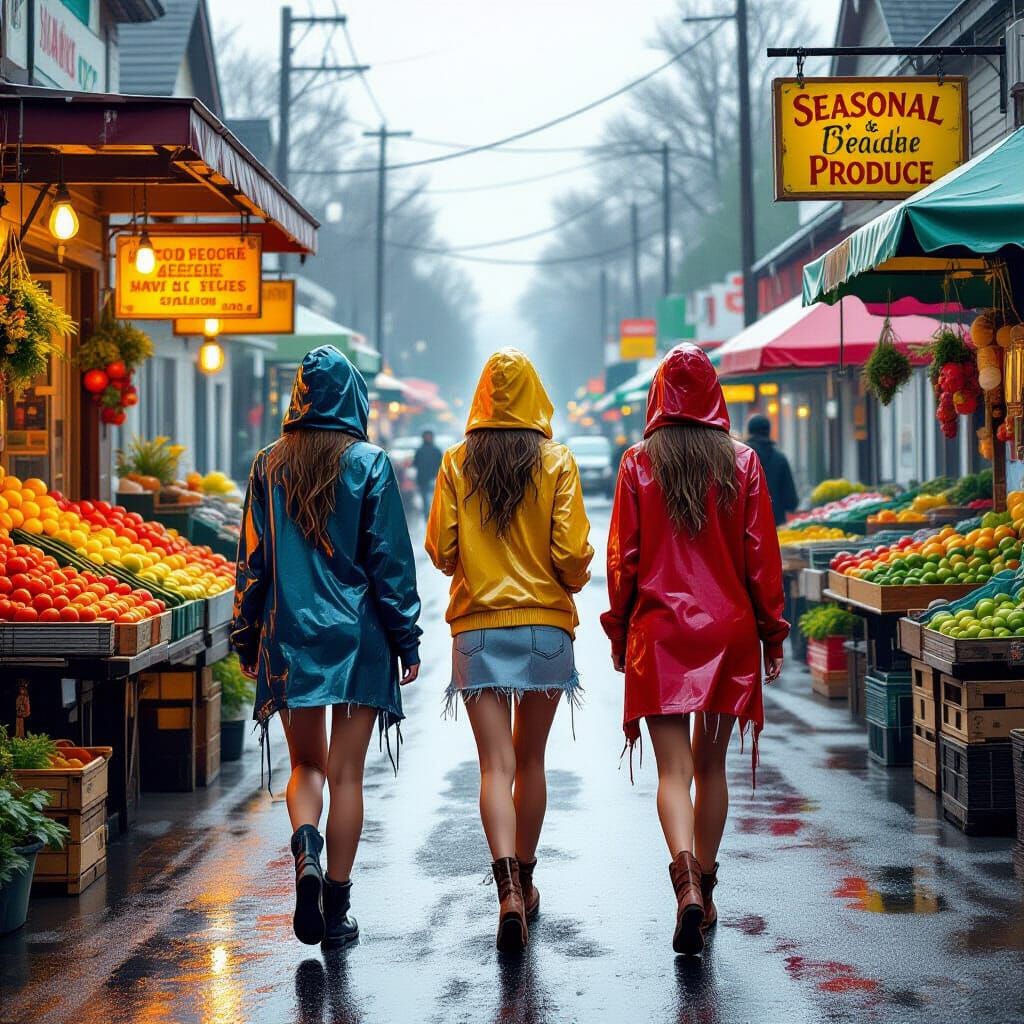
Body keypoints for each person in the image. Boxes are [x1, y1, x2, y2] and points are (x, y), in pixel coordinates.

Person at [232, 345, 422, 951]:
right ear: (354, 397)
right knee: (348, 775)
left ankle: (305, 847)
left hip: (291, 636)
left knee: (306, 767)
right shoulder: (370, 464)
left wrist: (244, 634)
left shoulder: (267, 465)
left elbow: (253, 563)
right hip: (361, 640)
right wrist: (407, 637)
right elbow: (390, 563)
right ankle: (335, 908)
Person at [601, 344, 788, 957]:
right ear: (715, 393)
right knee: (712, 770)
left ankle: (682, 882)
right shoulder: (743, 461)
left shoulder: (636, 463)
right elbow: (761, 557)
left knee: (672, 772)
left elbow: (623, 561)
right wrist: (774, 631)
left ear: (658, 394)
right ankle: (704, 888)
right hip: (728, 632)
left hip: (658, 635)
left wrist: (618, 627)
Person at [425, 348, 593, 953]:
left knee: (494, 767)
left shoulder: (455, 462)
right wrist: (559, 580)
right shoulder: (558, 462)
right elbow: (573, 558)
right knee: (531, 764)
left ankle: (505, 891)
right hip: (548, 630)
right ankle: (527, 875)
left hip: (477, 630)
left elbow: (442, 551)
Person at [745, 414, 799, 525]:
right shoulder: (780, 459)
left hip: (746, 525)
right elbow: (791, 502)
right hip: (775, 525)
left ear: (749, 432)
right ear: (768, 431)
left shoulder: (741, 458)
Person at [413, 429, 443, 516]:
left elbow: (441, 464)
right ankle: (429, 518)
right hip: (423, 480)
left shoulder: (436, 450)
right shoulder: (419, 450)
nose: (428, 438)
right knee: (426, 501)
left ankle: (434, 516)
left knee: (435, 500)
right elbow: (415, 463)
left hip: (435, 479)